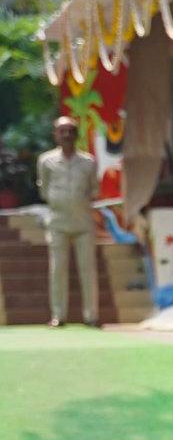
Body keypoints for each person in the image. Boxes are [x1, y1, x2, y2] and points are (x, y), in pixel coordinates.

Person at [37, 116, 100, 329]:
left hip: (83, 222)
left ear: (77, 134)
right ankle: (58, 315)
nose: (66, 135)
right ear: (55, 135)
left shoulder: (88, 161)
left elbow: (94, 189)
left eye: (70, 131)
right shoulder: (46, 161)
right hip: (58, 222)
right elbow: (44, 189)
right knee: (57, 269)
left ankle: (91, 316)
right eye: (62, 131)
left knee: (87, 269)